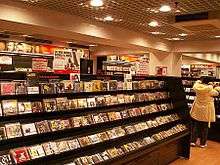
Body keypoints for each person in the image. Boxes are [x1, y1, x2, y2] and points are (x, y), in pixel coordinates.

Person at [190, 76, 219, 148]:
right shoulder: (210, 90)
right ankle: (202, 143)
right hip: (207, 110)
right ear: (209, 82)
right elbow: (217, 92)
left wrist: (199, 82)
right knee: (205, 127)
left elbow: (196, 84)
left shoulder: (197, 88)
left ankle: (193, 141)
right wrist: (215, 86)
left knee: (196, 126)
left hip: (198, 110)